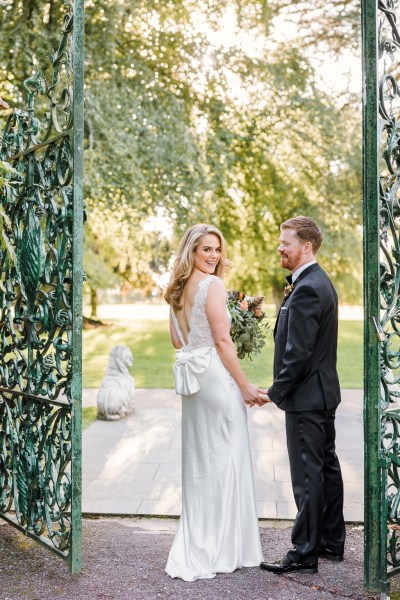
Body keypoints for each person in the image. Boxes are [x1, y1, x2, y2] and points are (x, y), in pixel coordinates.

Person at [163, 223, 263, 582]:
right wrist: (246, 386)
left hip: (194, 381)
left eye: (217, 250)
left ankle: (202, 541)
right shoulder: (213, 285)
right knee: (226, 459)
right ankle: (224, 547)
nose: (214, 256)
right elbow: (223, 341)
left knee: (202, 461)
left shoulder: (174, 291)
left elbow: (179, 342)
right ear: (191, 250)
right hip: (215, 380)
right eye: (206, 249)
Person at [259, 216, 345, 575]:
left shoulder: (309, 286)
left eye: (286, 242)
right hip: (321, 394)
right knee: (326, 467)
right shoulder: (316, 280)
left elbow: (299, 352)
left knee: (308, 475)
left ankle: (305, 551)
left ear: (305, 246)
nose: (280, 247)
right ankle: (330, 540)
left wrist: (275, 391)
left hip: (307, 396)